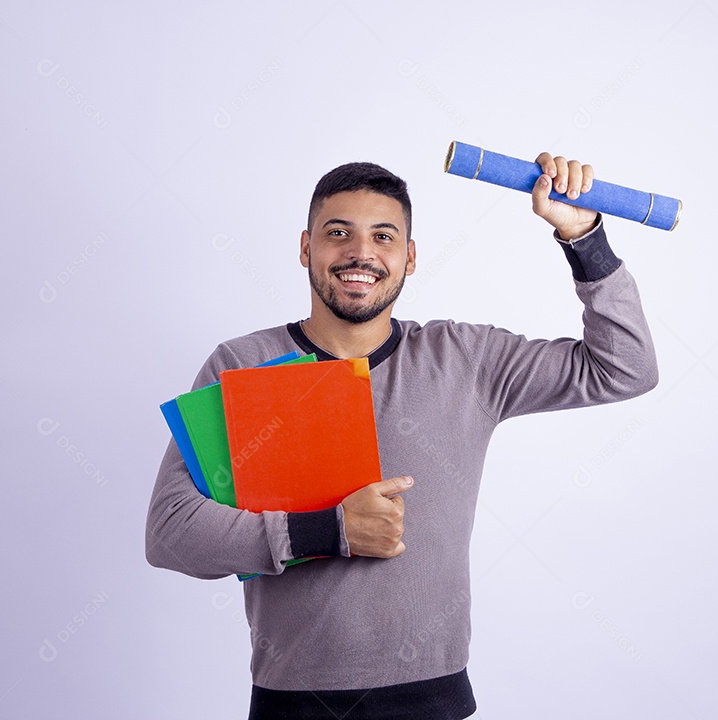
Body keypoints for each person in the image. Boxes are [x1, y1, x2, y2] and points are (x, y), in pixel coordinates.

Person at [146, 152, 658, 719]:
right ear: (304, 249)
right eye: (337, 232)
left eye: (383, 236)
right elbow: (171, 534)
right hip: (292, 702)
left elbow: (625, 368)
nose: (360, 252)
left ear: (409, 257)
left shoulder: (467, 359)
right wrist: (329, 529)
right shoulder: (241, 365)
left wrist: (584, 237)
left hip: (432, 698)